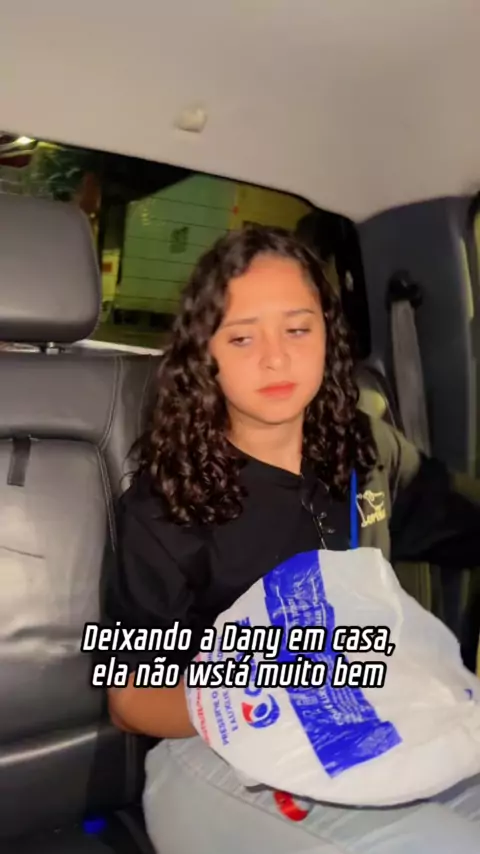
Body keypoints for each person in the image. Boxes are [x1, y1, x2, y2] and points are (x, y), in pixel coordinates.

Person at [104, 225, 480, 854]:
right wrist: (275, 695)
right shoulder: (164, 505)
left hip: (372, 718)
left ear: (328, 335)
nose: (275, 358)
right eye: (242, 337)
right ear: (204, 354)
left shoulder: (367, 450)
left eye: (298, 329)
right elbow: (131, 698)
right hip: (214, 755)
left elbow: (464, 521)